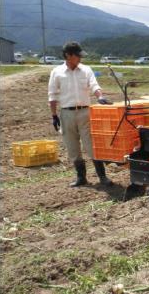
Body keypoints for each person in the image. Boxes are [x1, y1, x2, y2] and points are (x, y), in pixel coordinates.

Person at [48, 41, 113, 187]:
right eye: (78, 56)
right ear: (68, 56)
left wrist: (100, 97)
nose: (80, 58)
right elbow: (52, 95)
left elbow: (94, 85)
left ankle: (102, 177)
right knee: (72, 147)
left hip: (85, 112)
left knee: (91, 145)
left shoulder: (86, 70)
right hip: (66, 114)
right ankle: (81, 177)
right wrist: (54, 116)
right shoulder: (56, 72)